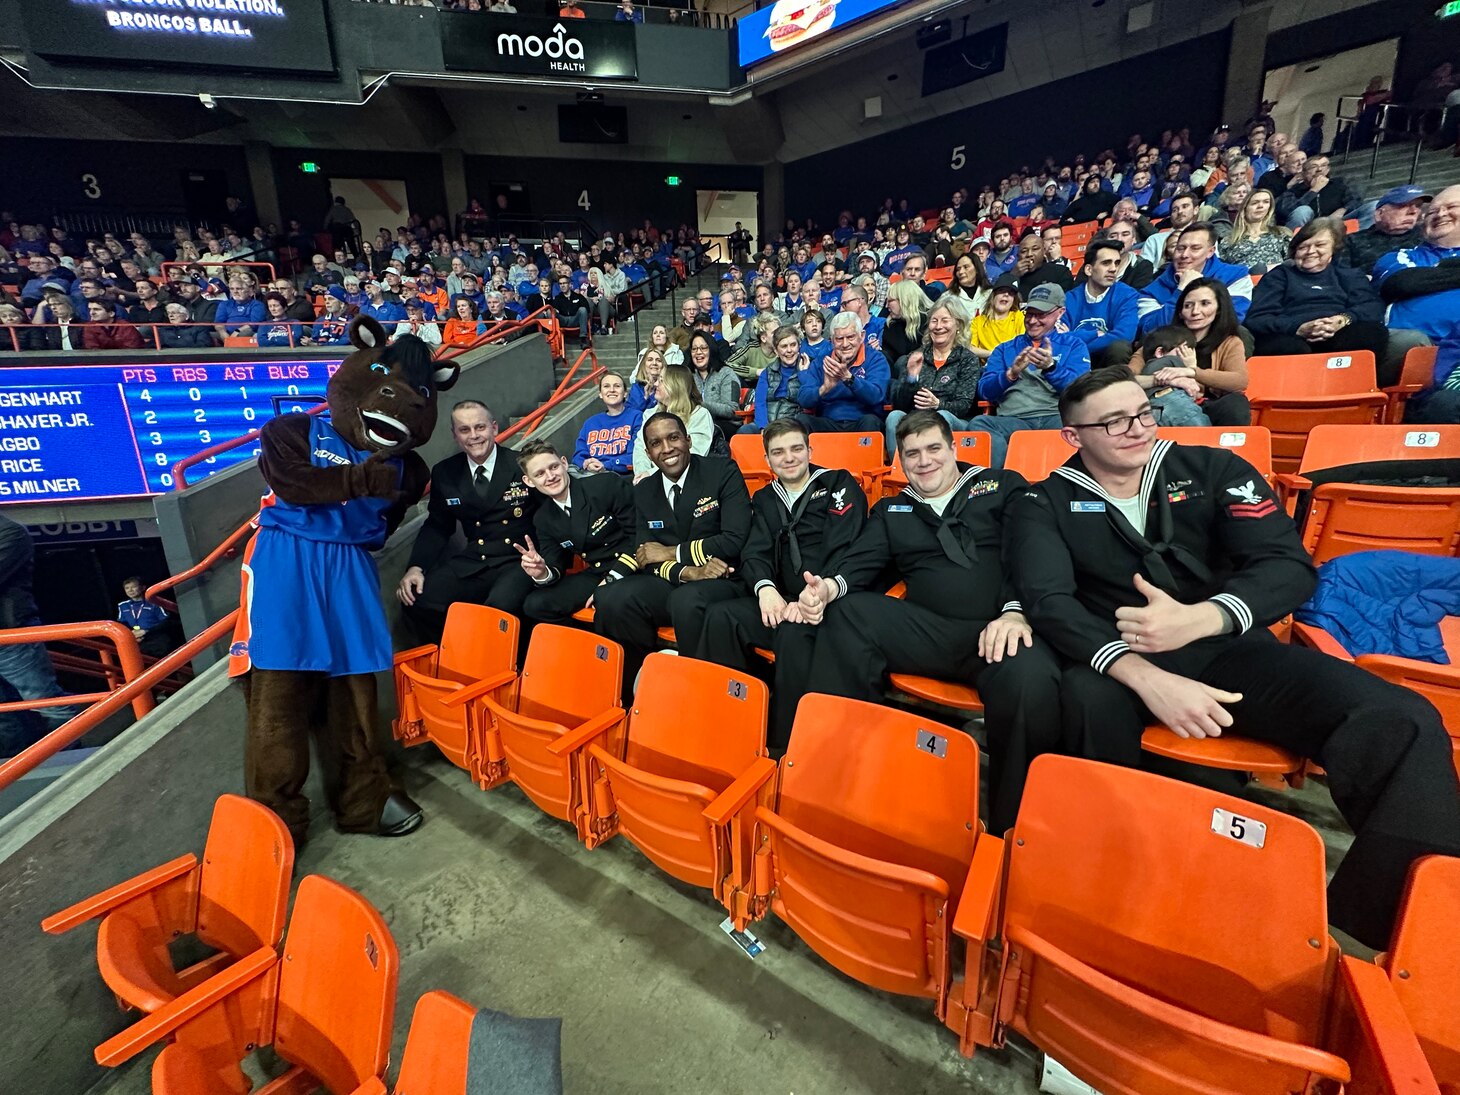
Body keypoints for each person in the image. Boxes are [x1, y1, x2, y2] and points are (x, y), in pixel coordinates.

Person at [1004, 366, 1460, 949]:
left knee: (1403, 720)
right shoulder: (1043, 501)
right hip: (1116, 658)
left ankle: (1400, 933)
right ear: (1074, 435)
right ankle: (1102, 886)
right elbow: (1048, 602)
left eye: (1143, 412)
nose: (1137, 430)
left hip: (1227, 647)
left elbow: (1287, 567)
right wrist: (1147, 677)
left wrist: (1203, 618)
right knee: (1084, 696)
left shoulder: (1212, 470)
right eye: (1114, 422)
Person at [794, 411, 1062, 833]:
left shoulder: (1000, 486)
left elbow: (1035, 551)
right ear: (900, 460)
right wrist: (828, 589)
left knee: (1033, 677)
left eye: (934, 449)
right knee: (847, 612)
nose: (924, 461)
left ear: (954, 448)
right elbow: (861, 564)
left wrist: (1015, 611)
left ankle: (1016, 829)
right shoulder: (893, 508)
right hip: (927, 630)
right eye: (912, 453)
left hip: (997, 632)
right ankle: (839, 773)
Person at [699, 420, 867, 749]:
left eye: (795, 449)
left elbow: (846, 547)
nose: (788, 458)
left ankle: (785, 745)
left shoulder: (837, 483)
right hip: (782, 599)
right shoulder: (764, 498)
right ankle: (729, 723)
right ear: (767, 460)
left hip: (828, 603)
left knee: (793, 632)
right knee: (721, 617)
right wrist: (765, 589)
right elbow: (755, 550)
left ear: (809, 451)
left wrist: (813, 595)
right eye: (778, 452)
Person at [594, 412, 751, 695]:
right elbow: (644, 554)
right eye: (656, 443)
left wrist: (670, 552)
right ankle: (634, 691)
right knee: (612, 598)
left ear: (688, 440)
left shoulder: (722, 472)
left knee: (686, 599)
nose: (666, 449)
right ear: (648, 452)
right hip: (676, 579)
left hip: (724, 578)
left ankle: (700, 693)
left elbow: (733, 540)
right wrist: (689, 571)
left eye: (673, 437)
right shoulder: (643, 490)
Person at [397, 400, 537, 643]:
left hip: (518, 562)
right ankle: (454, 655)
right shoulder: (445, 472)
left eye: (480, 427)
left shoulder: (521, 465)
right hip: (475, 561)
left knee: (498, 610)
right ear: (455, 435)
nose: (474, 436)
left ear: (494, 428)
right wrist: (416, 567)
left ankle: (502, 671)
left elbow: (548, 516)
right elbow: (438, 526)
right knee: (417, 598)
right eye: (464, 430)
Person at [515, 440, 639, 624]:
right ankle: (585, 644)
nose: (550, 477)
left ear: (564, 463)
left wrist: (612, 578)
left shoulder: (604, 485)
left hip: (632, 566)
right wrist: (542, 572)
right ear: (529, 481)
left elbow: (639, 537)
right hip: (597, 572)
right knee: (535, 604)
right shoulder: (543, 517)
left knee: (607, 600)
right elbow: (554, 562)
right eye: (539, 474)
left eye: (553, 467)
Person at [970, 284, 1091, 467]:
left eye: (1041, 314)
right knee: (979, 424)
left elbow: (1082, 390)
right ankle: (1001, 482)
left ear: (1060, 312)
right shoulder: (1004, 349)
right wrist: (1010, 374)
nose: (1033, 321)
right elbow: (985, 391)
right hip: (1014, 420)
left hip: (1056, 417)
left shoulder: (1074, 345)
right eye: (1030, 314)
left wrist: (1051, 368)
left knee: (1088, 428)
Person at [1244, 218, 1389, 369]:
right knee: (1286, 347)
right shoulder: (1278, 276)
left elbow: (1372, 307)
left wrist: (1341, 320)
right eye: (1303, 247)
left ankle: (1352, 386)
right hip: (1291, 335)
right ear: (1295, 251)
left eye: (1320, 245)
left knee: (1372, 333)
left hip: (1339, 334)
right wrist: (1297, 328)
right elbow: (1258, 318)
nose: (1311, 251)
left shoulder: (1349, 275)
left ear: (1333, 248)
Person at [1374, 185, 1460, 420]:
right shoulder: (1403, 256)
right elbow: (1402, 283)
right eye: (1433, 211)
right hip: (1417, 348)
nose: (1440, 214)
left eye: (1451, 207)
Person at [0, 514, 83, 750]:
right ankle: (18, 768)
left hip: (13, 636)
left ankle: (76, 765)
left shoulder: (10, 532)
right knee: (4, 716)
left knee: (47, 704)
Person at [1129, 278, 1250, 425]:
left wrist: (1192, 371)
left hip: (1208, 406)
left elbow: (1239, 381)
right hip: (1165, 404)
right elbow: (1125, 378)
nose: (1195, 311)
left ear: (1219, 309)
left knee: (1236, 403)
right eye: (1188, 305)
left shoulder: (1230, 342)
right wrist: (1166, 380)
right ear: (1180, 312)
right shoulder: (1162, 338)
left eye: (1205, 304)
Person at [883, 296, 982, 457]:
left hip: (953, 420)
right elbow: (898, 404)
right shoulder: (916, 356)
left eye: (945, 320)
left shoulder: (967, 359)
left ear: (958, 324)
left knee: (941, 417)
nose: (938, 326)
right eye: (934, 321)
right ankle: (900, 473)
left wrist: (937, 404)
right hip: (918, 418)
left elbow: (964, 406)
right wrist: (911, 378)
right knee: (894, 417)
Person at [1136, 223, 1252, 335]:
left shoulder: (1235, 276)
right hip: (1169, 348)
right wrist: (1181, 291)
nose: (1184, 254)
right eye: (1180, 248)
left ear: (1210, 252)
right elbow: (1149, 330)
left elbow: (1232, 320)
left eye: (1195, 248)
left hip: (1215, 345)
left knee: (1241, 333)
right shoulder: (1151, 291)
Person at [794, 311, 890, 433]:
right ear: (831, 340)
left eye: (850, 337)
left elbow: (876, 396)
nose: (845, 344)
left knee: (870, 421)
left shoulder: (875, 359)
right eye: (839, 339)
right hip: (828, 422)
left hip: (863, 421)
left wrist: (849, 379)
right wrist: (824, 389)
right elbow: (803, 398)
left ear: (862, 336)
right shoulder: (821, 362)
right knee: (802, 420)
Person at [1061, 238, 1140, 369]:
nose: (1113, 269)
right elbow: (1058, 339)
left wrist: (1075, 342)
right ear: (1088, 270)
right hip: (1074, 364)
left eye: (1116, 263)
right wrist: (1095, 334)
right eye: (1106, 263)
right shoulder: (1068, 299)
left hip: (1106, 363)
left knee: (1119, 347)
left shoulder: (1127, 295)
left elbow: (1125, 335)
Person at [631, 363, 716, 479]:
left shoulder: (699, 415)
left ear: (675, 385)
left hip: (689, 479)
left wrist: (652, 474)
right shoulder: (650, 414)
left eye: (661, 381)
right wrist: (643, 474)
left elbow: (694, 454)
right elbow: (641, 447)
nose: (655, 384)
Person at [1347, 185, 1430, 275]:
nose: (1413, 211)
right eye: (1403, 205)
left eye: (1418, 205)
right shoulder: (1352, 241)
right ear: (1379, 213)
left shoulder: (1428, 235)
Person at [573, 372, 638, 476]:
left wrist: (606, 465)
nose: (612, 390)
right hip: (591, 475)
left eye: (617, 386)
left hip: (622, 476)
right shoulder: (590, 423)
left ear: (625, 393)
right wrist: (586, 464)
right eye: (606, 386)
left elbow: (636, 455)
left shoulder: (637, 417)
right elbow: (579, 456)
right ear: (600, 393)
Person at [749, 325, 809, 433]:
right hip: (768, 424)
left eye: (793, 345)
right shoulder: (767, 372)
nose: (789, 350)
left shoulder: (808, 368)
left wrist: (804, 373)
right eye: (784, 346)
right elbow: (760, 403)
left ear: (799, 346)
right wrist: (763, 427)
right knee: (745, 431)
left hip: (793, 423)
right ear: (776, 351)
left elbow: (809, 401)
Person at [1279, 154, 1360, 230]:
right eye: (1313, 167)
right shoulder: (1294, 190)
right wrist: (1313, 190)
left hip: (1337, 224)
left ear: (1328, 169)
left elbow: (1356, 201)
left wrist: (1343, 210)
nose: (1319, 169)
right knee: (1303, 210)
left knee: (1371, 206)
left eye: (1323, 165)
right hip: (1307, 229)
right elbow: (1286, 211)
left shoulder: (1341, 183)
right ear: (1303, 173)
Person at [1217, 188, 1290, 272]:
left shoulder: (1281, 234)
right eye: (1255, 203)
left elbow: (1291, 264)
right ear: (1245, 208)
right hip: (1244, 282)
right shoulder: (1228, 241)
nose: (1260, 206)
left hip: (1274, 280)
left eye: (1266, 202)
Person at [687, 332, 741, 442]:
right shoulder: (688, 375)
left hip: (723, 425)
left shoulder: (726, 373)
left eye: (703, 348)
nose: (698, 352)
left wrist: (699, 404)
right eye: (694, 349)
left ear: (711, 350)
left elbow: (732, 410)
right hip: (694, 423)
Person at [117, 576, 178, 658]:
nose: (130, 590)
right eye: (127, 588)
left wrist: (146, 631)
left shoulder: (154, 602)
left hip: (157, 641)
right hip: (138, 642)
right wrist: (131, 633)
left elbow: (166, 622)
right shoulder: (123, 606)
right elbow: (122, 623)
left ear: (142, 587)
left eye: (133, 587)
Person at [1140, 193, 1201, 267]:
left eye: (1185, 206)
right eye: (1175, 210)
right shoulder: (1155, 239)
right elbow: (1143, 270)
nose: (1180, 211)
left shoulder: (1205, 238)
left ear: (1196, 210)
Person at [968, 283, 1024, 361]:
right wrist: (993, 354)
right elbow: (971, 348)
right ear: (993, 296)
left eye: (1011, 293)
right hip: (985, 368)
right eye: (1001, 291)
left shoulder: (1019, 317)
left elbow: (1022, 346)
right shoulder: (978, 321)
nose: (1006, 294)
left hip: (1011, 364)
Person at [627, 348, 665, 415]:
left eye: (658, 360)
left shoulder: (667, 386)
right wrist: (645, 397)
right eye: (650, 360)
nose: (654, 363)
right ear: (643, 364)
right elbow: (633, 414)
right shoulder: (636, 387)